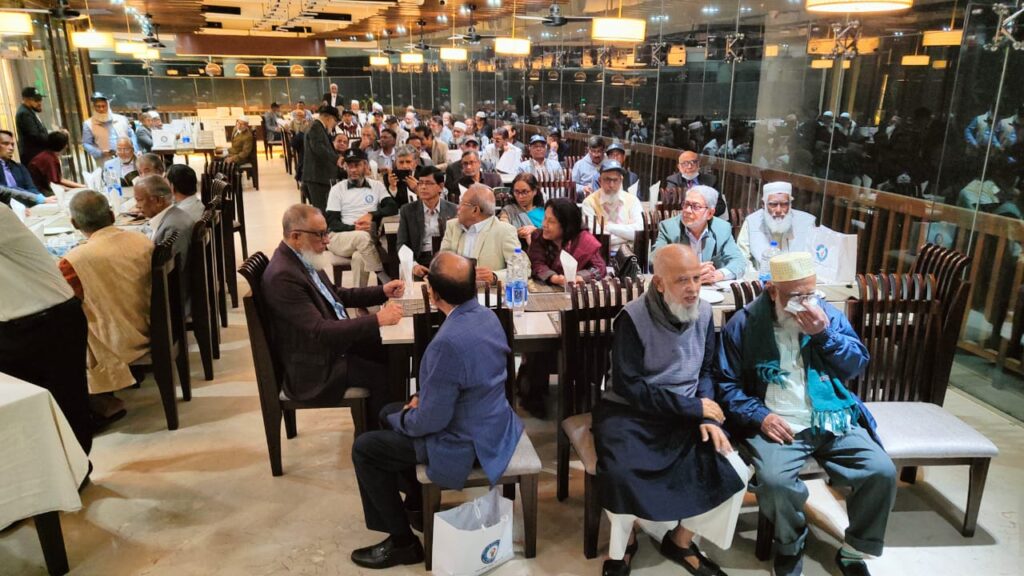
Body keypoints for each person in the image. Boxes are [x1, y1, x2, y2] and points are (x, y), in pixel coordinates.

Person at [717, 252, 896, 576]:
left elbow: (856, 365)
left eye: (809, 294)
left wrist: (823, 335)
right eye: (795, 296)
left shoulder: (826, 315)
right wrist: (760, 416)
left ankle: (854, 550)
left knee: (880, 471)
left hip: (831, 415)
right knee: (775, 483)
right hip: (777, 421)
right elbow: (726, 385)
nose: (804, 304)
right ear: (772, 290)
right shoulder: (744, 323)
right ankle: (791, 544)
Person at [350, 252, 524, 569]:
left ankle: (403, 543)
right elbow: (465, 381)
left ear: (433, 293)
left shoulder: (447, 342)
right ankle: (417, 502)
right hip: (493, 421)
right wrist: (421, 400)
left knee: (366, 447)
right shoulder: (488, 316)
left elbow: (431, 421)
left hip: (467, 442)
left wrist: (407, 414)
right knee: (388, 412)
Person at [595, 244, 748, 576]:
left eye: (697, 278)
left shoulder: (704, 313)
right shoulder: (633, 317)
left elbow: (706, 372)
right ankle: (622, 547)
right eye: (682, 280)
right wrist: (693, 407)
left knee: (733, 469)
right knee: (620, 475)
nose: (692, 289)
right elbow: (630, 386)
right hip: (631, 413)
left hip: (686, 412)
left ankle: (681, 540)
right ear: (660, 283)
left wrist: (707, 416)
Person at [262, 204, 404, 415]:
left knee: (395, 353)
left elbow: (336, 295)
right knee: (383, 376)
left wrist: (382, 291)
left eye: (326, 232)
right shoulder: (283, 276)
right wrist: (377, 319)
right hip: (316, 365)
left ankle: (388, 423)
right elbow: (320, 331)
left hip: (332, 346)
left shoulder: (302, 257)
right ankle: (378, 432)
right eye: (320, 234)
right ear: (296, 236)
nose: (327, 240)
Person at [0, 203, 92, 454]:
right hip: (10, 329)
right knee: (27, 414)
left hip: (51, 320)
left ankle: (80, 468)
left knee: (68, 405)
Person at [58, 190, 153, 425]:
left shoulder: (74, 260)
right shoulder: (141, 240)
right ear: (111, 215)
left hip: (118, 338)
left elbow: (64, 301)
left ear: (74, 223)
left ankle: (96, 402)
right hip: (151, 322)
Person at [520, 197, 606, 417]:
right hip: (545, 297)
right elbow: (536, 264)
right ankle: (534, 393)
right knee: (539, 339)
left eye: (551, 221)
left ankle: (581, 390)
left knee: (585, 339)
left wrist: (580, 276)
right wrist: (554, 277)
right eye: (545, 220)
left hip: (575, 301)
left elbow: (599, 268)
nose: (544, 225)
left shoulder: (583, 240)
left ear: (566, 225)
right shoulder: (539, 238)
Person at [325, 148, 396, 285]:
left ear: (365, 165)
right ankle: (384, 278)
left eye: (357, 165)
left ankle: (359, 297)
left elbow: (392, 207)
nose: (352, 170)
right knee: (362, 237)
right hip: (340, 238)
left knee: (359, 257)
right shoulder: (337, 189)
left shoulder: (377, 186)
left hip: (367, 240)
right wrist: (354, 228)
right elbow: (332, 223)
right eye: (349, 166)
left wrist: (371, 215)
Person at [652, 186, 746, 283]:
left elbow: (739, 261)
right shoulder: (669, 228)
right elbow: (655, 259)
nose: (687, 210)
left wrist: (717, 275)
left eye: (696, 206)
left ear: (710, 213)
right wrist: (690, 271)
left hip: (711, 288)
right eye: (686, 204)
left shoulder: (722, 229)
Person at [435, 183, 520, 284]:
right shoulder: (453, 226)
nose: (458, 207)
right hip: (454, 288)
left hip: (486, 290)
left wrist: (494, 276)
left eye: (462, 203)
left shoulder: (504, 231)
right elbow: (442, 262)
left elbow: (521, 269)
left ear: (475, 210)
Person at [736, 181, 817, 276]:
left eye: (784, 204)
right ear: (763, 204)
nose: (778, 210)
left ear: (790, 205)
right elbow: (741, 257)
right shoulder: (752, 222)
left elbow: (813, 261)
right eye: (773, 204)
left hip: (798, 279)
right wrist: (754, 276)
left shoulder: (807, 222)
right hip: (761, 278)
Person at [134, 175, 194, 292]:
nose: (137, 206)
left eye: (139, 200)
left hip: (172, 294)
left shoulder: (172, 228)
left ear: (159, 201)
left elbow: (175, 274)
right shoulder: (174, 215)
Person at [397, 166, 457, 268]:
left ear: (440, 187)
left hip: (446, 260)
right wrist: (413, 265)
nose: (423, 187)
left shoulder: (453, 209)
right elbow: (402, 244)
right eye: (420, 183)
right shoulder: (407, 210)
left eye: (428, 183)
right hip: (419, 260)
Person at [581, 160, 644, 255]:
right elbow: (595, 237)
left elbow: (639, 232)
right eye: (607, 179)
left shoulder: (632, 200)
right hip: (600, 254)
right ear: (600, 181)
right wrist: (627, 233)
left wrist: (609, 227)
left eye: (615, 180)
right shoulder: (589, 202)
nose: (611, 185)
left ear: (621, 180)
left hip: (629, 254)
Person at [302, 105, 341, 213]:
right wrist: (336, 159)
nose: (334, 125)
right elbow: (319, 148)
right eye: (335, 121)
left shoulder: (318, 127)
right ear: (329, 118)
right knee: (321, 211)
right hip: (317, 177)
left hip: (319, 177)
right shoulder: (316, 127)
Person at [665, 150, 726, 217]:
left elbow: (721, 206)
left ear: (698, 164)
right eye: (685, 163)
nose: (689, 166)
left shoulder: (711, 181)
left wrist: (704, 214)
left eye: (693, 162)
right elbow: (670, 203)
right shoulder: (673, 180)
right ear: (679, 167)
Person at [0, 129, 50, 207]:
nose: (11, 148)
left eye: (12, 144)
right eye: (6, 144)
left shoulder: (19, 167)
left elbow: (32, 188)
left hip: (27, 206)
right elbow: (4, 192)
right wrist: (37, 199)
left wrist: (41, 200)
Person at [82, 92, 137, 161]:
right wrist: (100, 153)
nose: (101, 109)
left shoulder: (122, 119)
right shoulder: (88, 124)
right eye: (98, 106)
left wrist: (135, 149)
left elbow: (131, 135)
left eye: (103, 106)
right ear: (94, 107)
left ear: (108, 105)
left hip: (128, 157)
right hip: (105, 159)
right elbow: (86, 143)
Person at [500, 173, 544, 246]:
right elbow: (503, 230)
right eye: (516, 192)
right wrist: (517, 232)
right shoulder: (508, 211)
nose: (520, 196)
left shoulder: (544, 211)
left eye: (525, 192)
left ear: (535, 191)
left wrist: (536, 231)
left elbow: (553, 234)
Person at [15, 86, 49, 165]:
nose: (39, 103)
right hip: (33, 157)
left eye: (40, 99)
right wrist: (51, 137)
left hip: (36, 155)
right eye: (36, 100)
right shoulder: (24, 114)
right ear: (26, 100)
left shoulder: (29, 111)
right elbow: (35, 136)